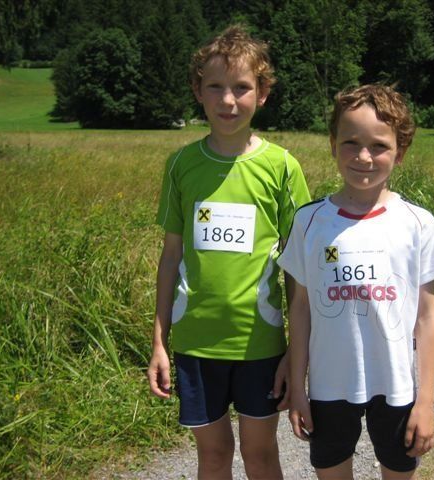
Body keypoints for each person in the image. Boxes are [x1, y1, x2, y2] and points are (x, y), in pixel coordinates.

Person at [147, 25, 310, 479]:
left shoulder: (281, 167)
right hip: (196, 344)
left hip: (260, 344)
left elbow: (298, 268)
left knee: (261, 456)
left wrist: (296, 353)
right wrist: (159, 342)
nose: (228, 100)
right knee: (214, 455)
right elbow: (171, 258)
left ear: (263, 93)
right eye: (215, 87)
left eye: (241, 87)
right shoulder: (181, 165)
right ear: (197, 91)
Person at [278, 84, 434, 480]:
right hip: (328, 386)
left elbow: (428, 317)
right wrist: (298, 389)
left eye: (379, 146)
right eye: (351, 143)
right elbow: (301, 309)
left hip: (395, 386)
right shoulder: (308, 222)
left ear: (400, 151)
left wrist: (426, 402)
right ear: (332, 145)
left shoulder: (418, 223)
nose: (363, 157)